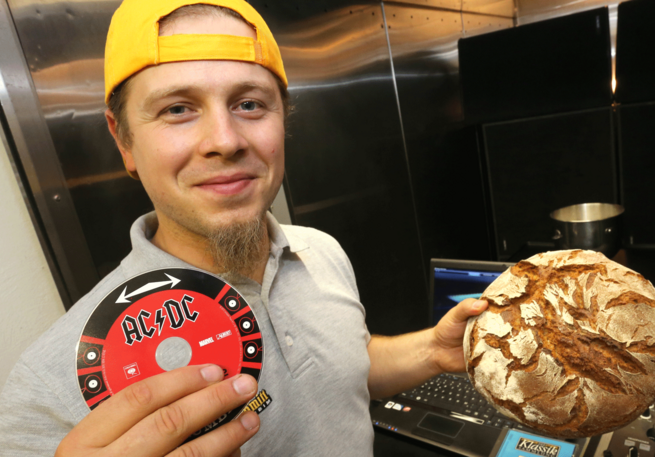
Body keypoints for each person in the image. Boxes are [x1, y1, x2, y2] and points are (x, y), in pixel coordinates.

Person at [0, 0, 487, 456]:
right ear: (123, 139)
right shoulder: (45, 392)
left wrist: (434, 351)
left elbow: (346, 363)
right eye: (177, 109)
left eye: (249, 104)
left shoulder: (319, 250)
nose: (225, 140)